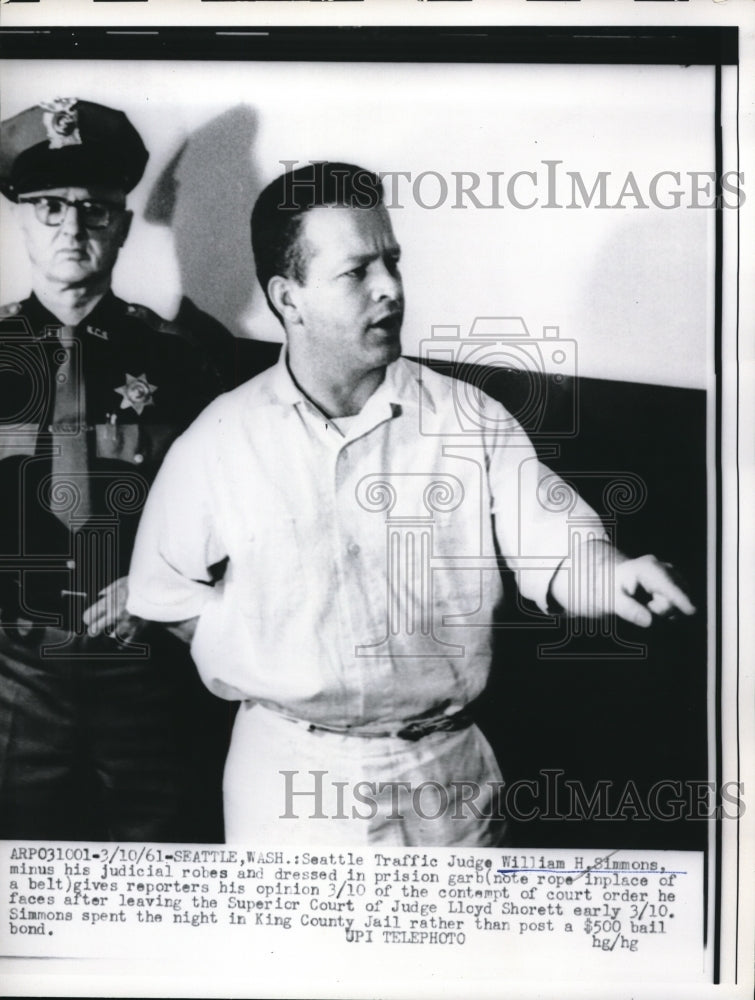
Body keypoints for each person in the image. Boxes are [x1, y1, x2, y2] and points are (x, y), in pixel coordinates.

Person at [127, 161, 696, 847]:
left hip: (447, 778)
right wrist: (267, 655)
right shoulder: (219, 441)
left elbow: (555, 541)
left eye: (392, 262)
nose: (389, 289)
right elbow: (162, 594)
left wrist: (609, 574)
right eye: (356, 271)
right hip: (291, 785)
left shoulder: (467, 418)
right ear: (288, 297)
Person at [0, 97, 231, 841]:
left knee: (159, 853)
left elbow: (235, 512)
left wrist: (157, 584)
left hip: (143, 666)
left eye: (96, 210)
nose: (72, 228)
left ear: (124, 227)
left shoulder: (185, 359)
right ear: (20, 221)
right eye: (49, 207)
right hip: (12, 671)